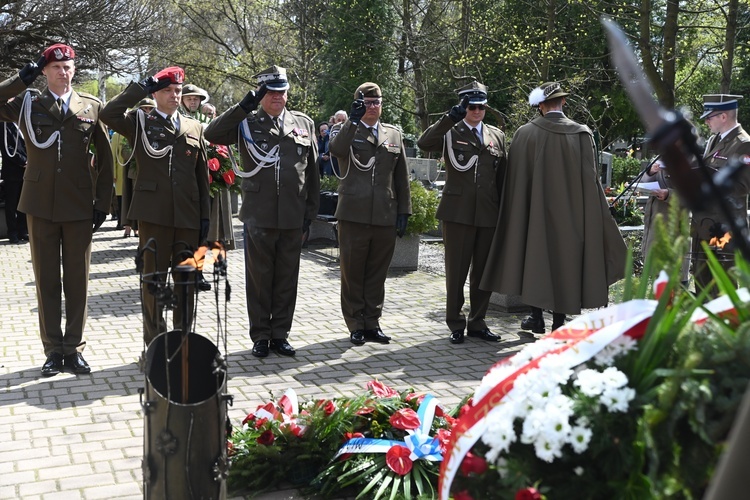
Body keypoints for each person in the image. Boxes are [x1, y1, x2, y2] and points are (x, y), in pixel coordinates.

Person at [0, 43, 114, 376]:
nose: (63, 72)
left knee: (77, 281)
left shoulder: (91, 107)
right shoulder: (28, 103)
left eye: (68, 67)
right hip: (39, 205)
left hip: (79, 205)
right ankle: (52, 350)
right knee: (46, 280)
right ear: (45, 72)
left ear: (74, 70)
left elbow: (106, 161)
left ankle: (73, 348)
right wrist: (24, 77)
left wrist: (103, 204)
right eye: (55, 68)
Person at [480, 82, 626, 333]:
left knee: (534, 259)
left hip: (532, 215)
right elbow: (591, 183)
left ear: (540, 106)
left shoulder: (524, 134)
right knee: (565, 263)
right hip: (571, 217)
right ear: (564, 102)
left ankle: (536, 317)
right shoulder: (582, 134)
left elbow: (514, 184)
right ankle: (559, 322)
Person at [204, 65, 319, 358]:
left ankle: (280, 334)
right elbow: (213, 133)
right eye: (271, 92)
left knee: (286, 278)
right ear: (261, 93)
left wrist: (310, 214)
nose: (277, 97)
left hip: (293, 214)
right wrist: (244, 105)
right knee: (259, 279)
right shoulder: (246, 122)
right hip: (259, 214)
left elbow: (313, 173)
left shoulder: (303, 123)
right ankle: (260, 336)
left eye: (282, 91)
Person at [100, 66, 210, 346]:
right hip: (153, 215)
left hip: (187, 215)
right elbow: (108, 114)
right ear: (156, 93)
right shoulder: (139, 122)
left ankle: (183, 342)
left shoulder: (194, 127)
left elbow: (201, 179)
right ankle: (156, 344)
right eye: (167, 90)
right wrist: (140, 88)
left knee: (186, 285)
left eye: (178, 90)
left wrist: (205, 220)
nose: (174, 95)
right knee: (154, 283)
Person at [417, 81, 507, 345]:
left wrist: (503, 213)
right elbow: (425, 143)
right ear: (463, 106)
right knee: (456, 272)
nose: (477, 111)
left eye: (481, 106)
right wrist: (449, 118)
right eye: (471, 106)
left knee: (483, 272)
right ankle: (455, 322)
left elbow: (502, 177)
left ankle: (478, 322)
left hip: (488, 214)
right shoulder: (450, 131)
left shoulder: (496, 136)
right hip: (457, 213)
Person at [328, 82, 411, 346]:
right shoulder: (345, 130)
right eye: (366, 103)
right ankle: (355, 323)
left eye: (376, 102)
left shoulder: (393, 135)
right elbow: (337, 151)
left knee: (377, 273)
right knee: (352, 273)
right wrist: (352, 122)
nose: (372, 107)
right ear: (358, 105)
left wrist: (404, 211)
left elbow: (401, 177)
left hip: (384, 214)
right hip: (353, 214)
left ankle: (372, 322)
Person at [691, 94, 750, 295]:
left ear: (723, 116)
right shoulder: (713, 140)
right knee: (701, 284)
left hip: (724, 227)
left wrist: (712, 178)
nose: (706, 122)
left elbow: (744, 185)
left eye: (710, 117)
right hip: (703, 225)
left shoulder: (744, 143)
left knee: (721, 285)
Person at [639, 158, 690, 284]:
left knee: (676, 280)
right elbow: (643, 183)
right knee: (657, 281)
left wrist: (669, 194)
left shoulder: (689, 160)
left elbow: (693, 195)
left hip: (675, 231)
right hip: (655, 227)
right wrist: (650, 172)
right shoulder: (658, 159)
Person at [110, 98, 154, 238]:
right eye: (144, 109)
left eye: (150, 109)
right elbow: (121, 152)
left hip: (151, 175)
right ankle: (128, 227)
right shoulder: (129, 130)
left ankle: (139, 229)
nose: (147, 112)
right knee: (128, 200)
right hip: (132, 172)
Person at [1, 117, 28, 244]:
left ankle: (22, 231)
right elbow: (7, 149)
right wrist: (23, 161)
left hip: (26, 171)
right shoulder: (4, 125)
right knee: (11, 204)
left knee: (23, 203)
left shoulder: (23, 124)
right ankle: (12, 233)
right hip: (12, 172)